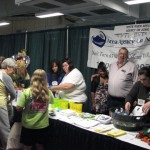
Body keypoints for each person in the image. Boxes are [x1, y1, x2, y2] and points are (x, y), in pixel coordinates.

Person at [16, 69, 54, 150]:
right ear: (45, 79)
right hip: (43, 126)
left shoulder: (26, 92)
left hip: (28, 125)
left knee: (27, 147)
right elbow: (51, 103)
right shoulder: (49, 92)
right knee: (40, 146)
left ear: (33, 78)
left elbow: (19, 108)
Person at [0, 58, 16, 150]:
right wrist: (9, 101)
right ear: (8, 67)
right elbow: (13, 94)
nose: (13, 71)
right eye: (13, 68)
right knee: (5, 129)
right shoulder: (6, 77)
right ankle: (6, 147)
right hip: (1, 104)